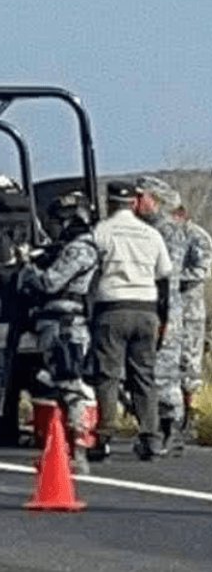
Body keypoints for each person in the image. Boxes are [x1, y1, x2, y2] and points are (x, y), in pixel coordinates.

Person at [89, 181, 172, 462]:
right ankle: (151, 438)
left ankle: (104, 436)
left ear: (109, 203)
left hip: (112, 308)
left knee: (107, 374)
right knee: (144, 375)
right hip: (146, 309)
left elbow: (89, 268)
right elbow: (164, 271)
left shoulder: (101, 231)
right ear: (134, 204)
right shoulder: (151, 234)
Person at [17, 191, 99, 473]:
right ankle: (62, 450)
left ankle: (78, 449)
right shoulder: (68, 248)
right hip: (56, 324)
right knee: (54, 387)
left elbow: (50, 283)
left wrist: (28, 269)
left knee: (70, 385)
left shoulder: (80, 249)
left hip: (66, 326)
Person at [135, 176, 190, 454]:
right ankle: (154, 428)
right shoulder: (143, 229)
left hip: (164, 309)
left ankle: (171, 429)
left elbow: (167, 277)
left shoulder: (167, 231)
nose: (135, 203)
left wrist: (164, 318)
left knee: (165, 374)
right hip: (145, 307)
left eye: (140, 197)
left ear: (154, 200)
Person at [173, 204, 211, 455]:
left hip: (190, 313)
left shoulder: (197, 237)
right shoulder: (165, 236)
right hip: (169, 311)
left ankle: (190, 417)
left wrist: (172, 277)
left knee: (189, 366)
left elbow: (201, 270)